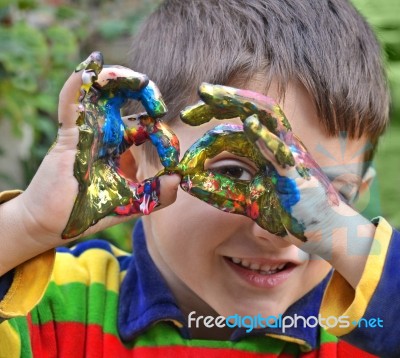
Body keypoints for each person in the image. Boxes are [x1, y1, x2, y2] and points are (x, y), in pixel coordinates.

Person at [0, 0, 398, 357]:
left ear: (358, 201)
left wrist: (344, 240)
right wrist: (29, 225)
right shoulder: (54, 305)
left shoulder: (360, 332)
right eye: (235, 172)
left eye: (327, 193)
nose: (283, 230)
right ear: (131, 168)